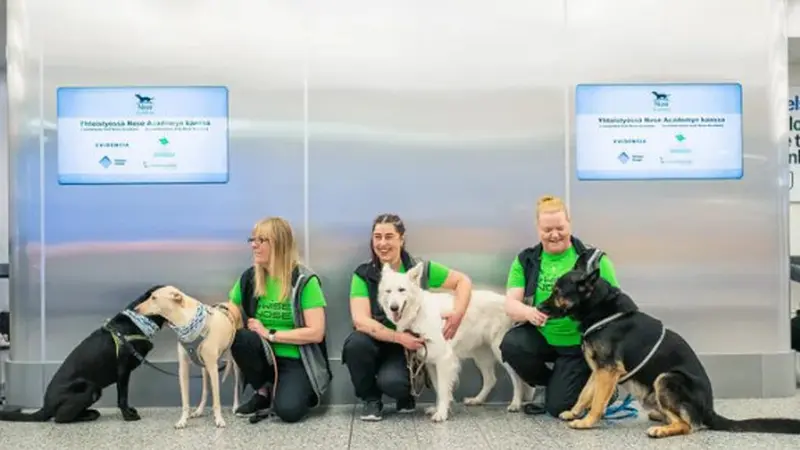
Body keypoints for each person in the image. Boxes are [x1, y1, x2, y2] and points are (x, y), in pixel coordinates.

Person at [342, 213, 473, 421]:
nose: (382, 243)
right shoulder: (363, 274)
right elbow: (360, 320)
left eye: (389, 236)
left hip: (408, 352)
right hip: (379, 340)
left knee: (394, 383)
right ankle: (370, 400)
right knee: (355, 344)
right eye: (377, 237)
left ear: (401, 239)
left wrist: (457, 315)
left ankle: (405, 395)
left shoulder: (421, 269)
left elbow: (463, 282)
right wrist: (398, 337)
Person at [499, 195, 621, 417]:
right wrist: (529, 312)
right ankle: (549, 384)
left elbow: (616, 307)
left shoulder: (595, 261)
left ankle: (602, 390)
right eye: (547, 230)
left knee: (558, 408)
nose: (554, 234)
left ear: (569, 224)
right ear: (538, 229)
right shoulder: (526, 260)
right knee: (512, 344)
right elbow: (510, 304)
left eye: (560, 228)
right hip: (543, 339)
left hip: (580, 346)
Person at [227, 217, 332, 424]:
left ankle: (292, 391)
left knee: (289, 412)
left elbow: (316, 332)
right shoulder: (249, 278)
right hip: (262, 355)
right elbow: (231, 307)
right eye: (253, 239)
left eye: (261, 240)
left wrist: (270, 334)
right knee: (241, 338)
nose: (254, 245)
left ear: (279, 244)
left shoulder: (304, 281)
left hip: (295, 358)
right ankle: (263, 391)